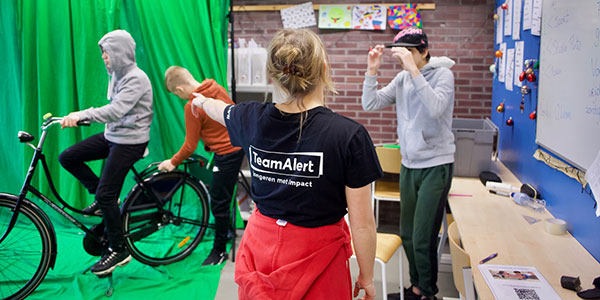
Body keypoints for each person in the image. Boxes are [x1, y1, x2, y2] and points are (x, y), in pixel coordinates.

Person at [192, 29, 381, 300]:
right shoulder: (349, 135)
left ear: (273, 75)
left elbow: (218, 110)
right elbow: (363, 224)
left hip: (261, 248)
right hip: (317, 256)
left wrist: (200, 100)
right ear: (324, 68)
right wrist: (367, 276)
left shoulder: (250, 117)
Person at [361, 27, 456, 300]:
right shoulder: (403, 79)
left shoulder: (443, 75)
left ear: (424, 51)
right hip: (409, 164)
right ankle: (416, 288)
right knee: (408, 234)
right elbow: (370, 103)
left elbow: (436, 108)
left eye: (410, 53)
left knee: (424, 235)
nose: (404, 60)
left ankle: (428, 293)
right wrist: (372, 71)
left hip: (436, 165)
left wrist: (414, 72)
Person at [58, 29, 153, 276]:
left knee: (106, 193)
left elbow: (116, 110)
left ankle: (119, 249)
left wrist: (83, 114)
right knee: (68, 157)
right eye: (102, 53)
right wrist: (81, 118)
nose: (104, 57)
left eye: (107, 53)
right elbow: (111, 110)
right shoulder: (116, 76)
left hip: (131, 141)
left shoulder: (137, 78)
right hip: (113, 136)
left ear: (120, 52)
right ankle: (105, 200)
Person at [158, 66, 244, 266]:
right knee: (219, 192)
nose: (179, 98)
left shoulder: (193, 106)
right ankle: (227, 232)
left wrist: (172, 162)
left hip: (226, 153)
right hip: (238, 147)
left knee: (219, 202)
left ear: (179, 89)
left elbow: (189, 146)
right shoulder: (216, 87)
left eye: (176, 95)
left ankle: (219, 250)